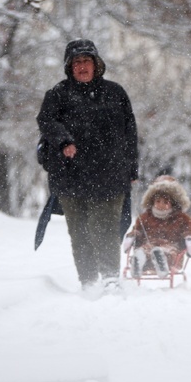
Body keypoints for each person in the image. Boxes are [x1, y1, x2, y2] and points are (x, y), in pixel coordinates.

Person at [36, 39, 138, 295]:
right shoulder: (57, 95)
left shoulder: (115, 94)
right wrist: (63, 141)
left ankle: (111, 279)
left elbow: (130, 133)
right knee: (80, 233)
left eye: (87, 61)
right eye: (77, 62)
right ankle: (89, 281)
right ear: (69, 67)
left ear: (96, 65)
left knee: (104, 228)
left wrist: (132, 169)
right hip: (71, 176)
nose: (82, 66)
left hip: (110, 174)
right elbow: (46, 122)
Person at [123, 176, 191, 277]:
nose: (161, 205)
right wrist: (133, 236)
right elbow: (138, 230)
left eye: (165, 202)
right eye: (158, 201)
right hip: (149, 245)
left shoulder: (181, 218)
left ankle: (161, 263)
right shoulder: (145, 217)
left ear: (173, 203)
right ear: (152, 201)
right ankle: (139, 261)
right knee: (144, 250)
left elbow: (189, 230)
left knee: (166, 251)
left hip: (172, 247)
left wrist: (189, 238)